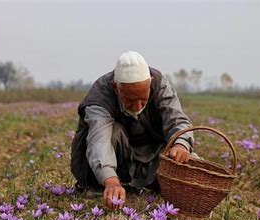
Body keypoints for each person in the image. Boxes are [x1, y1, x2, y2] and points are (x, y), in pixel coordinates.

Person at [71, 51, 194, 209]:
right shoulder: (100, 96)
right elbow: (99, 142)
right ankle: (104, 185)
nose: (137, 107)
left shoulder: (160, 85)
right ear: (116, 87)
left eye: (143, 99)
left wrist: (180, 144)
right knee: (113, 132)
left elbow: (177, 120)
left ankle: (148, 183)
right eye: (130, 100)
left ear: (150, 83)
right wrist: (110, 180)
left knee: (190, 163)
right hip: (114, 156)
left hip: (150, 156)